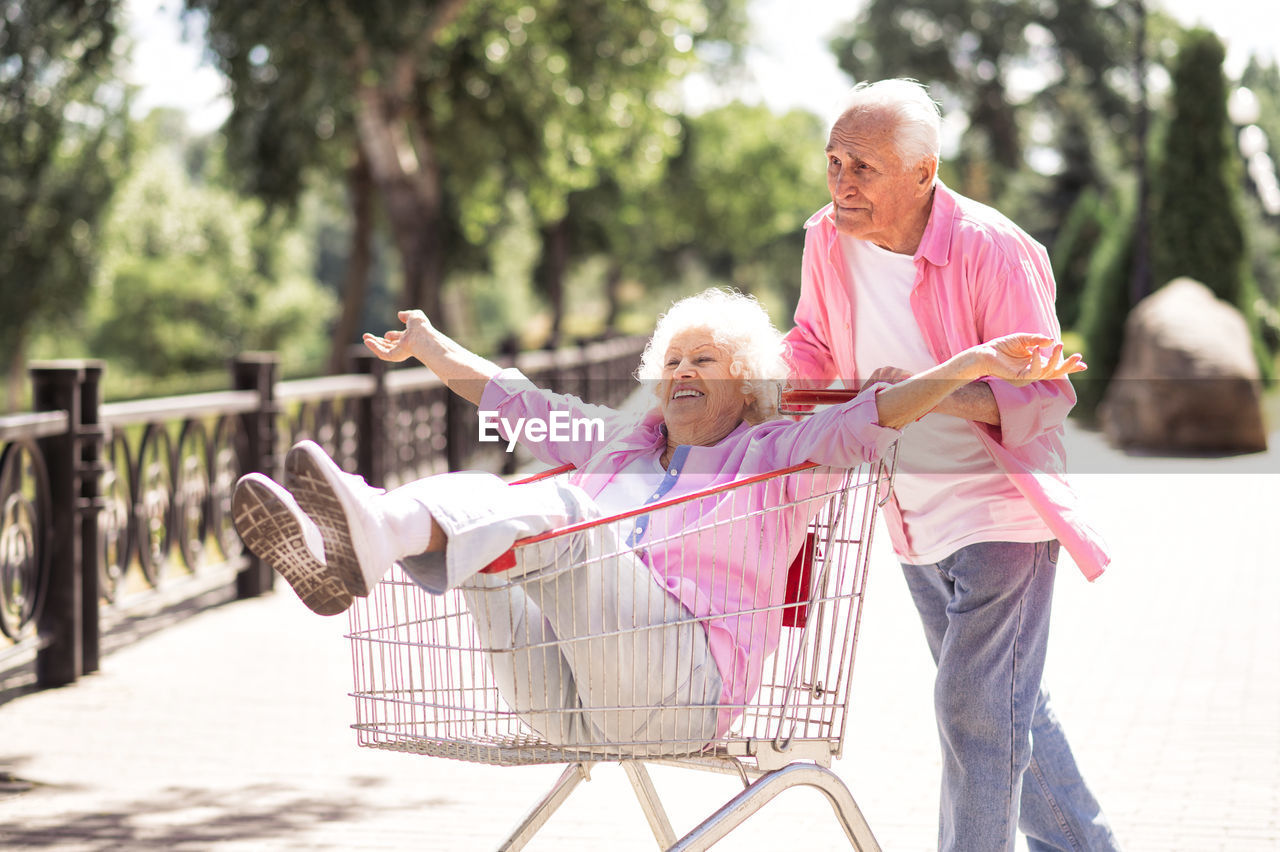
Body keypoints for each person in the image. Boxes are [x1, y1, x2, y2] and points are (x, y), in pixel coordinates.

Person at [233, 288, 1083, 754]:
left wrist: (965, 365)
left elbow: (875, 416)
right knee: (505, 521)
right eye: (671, 359)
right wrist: (430, 348)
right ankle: (368, 529)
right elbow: (513, 398)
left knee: (559, 513)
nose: (681, 372)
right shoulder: (619, 445)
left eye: (704, 361)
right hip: (570, 700)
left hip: (686, 692)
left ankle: (373, 531)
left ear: (746, 384)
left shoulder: (782, 451)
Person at [784, 78, 1119, 851]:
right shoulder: (824, 238)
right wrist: (762, 377)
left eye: (862, 166)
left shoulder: (994, 250)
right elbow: (811, 343)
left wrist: (930, 397)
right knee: (1002, 709)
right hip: (906, 511)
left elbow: (1045, 397)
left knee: (973, 709)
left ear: (923, 172)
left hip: (999, 507)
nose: (842, 182)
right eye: (834, 162)